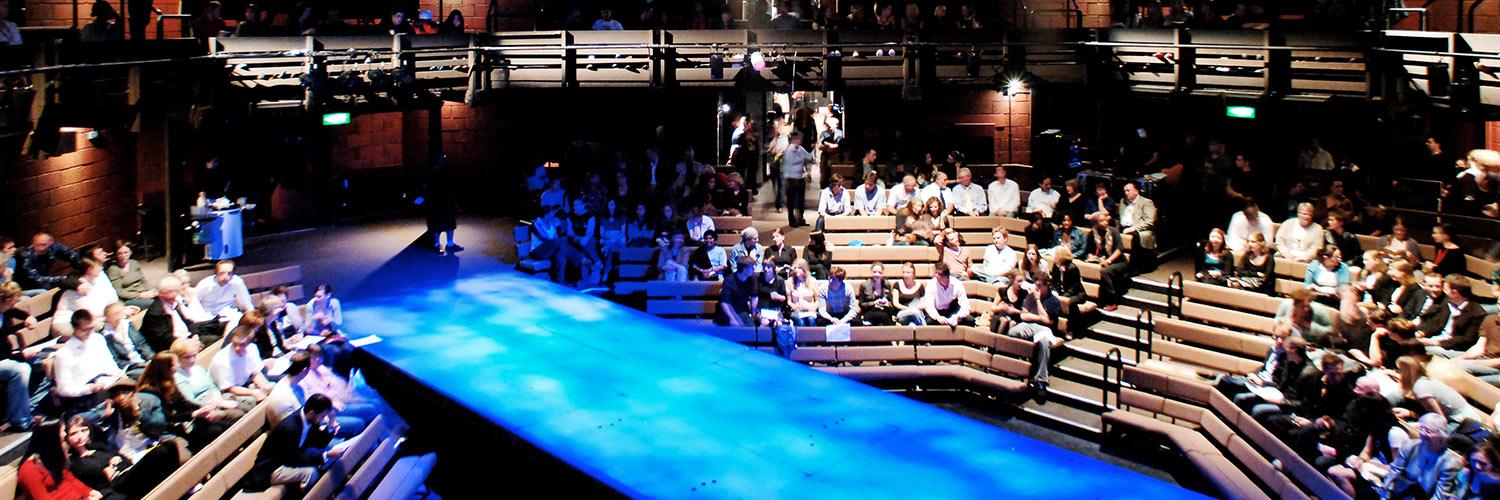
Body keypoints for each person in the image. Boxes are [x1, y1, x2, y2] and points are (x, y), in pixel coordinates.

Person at [243, 394, 346, 493]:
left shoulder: (309, 419)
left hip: (289, 459)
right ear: (311, 413)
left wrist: (331, 424)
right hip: (272, 467)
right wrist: (325, 455)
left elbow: (320, 443)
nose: (323, 419)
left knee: (327, 459)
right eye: (322, 416)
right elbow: (293, 458)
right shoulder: (290, 428)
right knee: (311, 473)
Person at [63, 415, 182, 498]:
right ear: (67, 438)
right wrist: (109, 465)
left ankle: (180, 485)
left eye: (83, 430)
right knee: (161, 451)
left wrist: (113, 464)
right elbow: (101, 476)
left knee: (170, 446)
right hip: (117, 486)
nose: (80, 436)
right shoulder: (75, 462)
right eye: (74, 433)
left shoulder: (99, 446)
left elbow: (124, 459)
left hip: (128, 471)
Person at [137, 353, 229, 450]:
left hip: (185, 421)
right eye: (176, 363)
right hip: (172, 430)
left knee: (224, 425)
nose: (179, 365)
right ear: (167, 368)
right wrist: (193, 414)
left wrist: (204, 409)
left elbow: (184, 403)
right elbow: (168, 417)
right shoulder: (150, 391)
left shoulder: (170, 381)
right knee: (215, 431)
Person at [53, 310, 127, 412]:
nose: (89, 332)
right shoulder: (64, 354)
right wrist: (89, 388)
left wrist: (120, 374)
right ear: (75, 329)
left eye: (91, 328)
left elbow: (109, 363)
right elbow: (63, 389)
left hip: (108, 382)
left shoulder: (98, 339)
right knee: (119, 404)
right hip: (86, 394)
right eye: (85, 329)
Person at [1380, 413, 1463, 498]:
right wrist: (1385, 496)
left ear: (1442, 435)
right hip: (1402, 494)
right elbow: (1393, 474)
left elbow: (1439, 496)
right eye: (1421, 428)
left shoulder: (1450, 463)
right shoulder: (1410, 446)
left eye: (1429, 431)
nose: (1423, 433)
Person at [1009, 276, 1064, 397]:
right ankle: (1021, 368)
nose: (1036, 288)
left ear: (1046, 286)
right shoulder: (1029, 296)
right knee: (1013, 332)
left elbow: (1049, 322)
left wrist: (1038, 301)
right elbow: (1023, 316)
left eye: (1039, 285)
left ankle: (1041, 381)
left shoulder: (1053, 301)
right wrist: (1039, 317)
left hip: (1045, 330)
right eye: (1035, 285)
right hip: (1029, 325)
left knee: (1044, 342)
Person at [18, 422, 102, 500]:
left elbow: (70, 479)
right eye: (62, 440)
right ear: (51, 442)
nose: (65, 443)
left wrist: (88, 492)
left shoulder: (51, 456)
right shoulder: (29, 469)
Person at [1418, 274, 1486, 356]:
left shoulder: (1477, 313)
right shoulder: (1447, 303)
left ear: (1454, 292)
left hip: (1452, 347)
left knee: (1417, 347)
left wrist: (1435, 342)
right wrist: (1422, 333)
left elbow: (1467, 340)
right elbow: (1435, 323)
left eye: (1445, 289)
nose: (1443, 291)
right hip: (1435, 339)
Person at [209, 319, 273, 402]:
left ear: (250, 342)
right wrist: (254, 392)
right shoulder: (221, 360)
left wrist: (264, 386)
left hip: (245, 384)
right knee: (253, 399)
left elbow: (256, 373)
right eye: (235, 344)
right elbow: (229, 388)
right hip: (225, 393)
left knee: (273, 387)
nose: (237, 348)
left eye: (242, 345)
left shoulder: (252, 348)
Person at [1085, 212, 1129, 311]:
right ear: (1095, 224)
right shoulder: (1092, 234)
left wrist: (1108, 261)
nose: (1105, 223)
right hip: (1101, 261)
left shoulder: (1113, 231)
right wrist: (1091, 257)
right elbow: (1088, 251)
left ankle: (1113, 300)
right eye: (1102, 221)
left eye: (1106, 220)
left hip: (1119, 262)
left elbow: (1119, 249)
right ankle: (1093, 298)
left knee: (1105, 271)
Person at [14, 232, 82, 293]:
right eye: (36, 244)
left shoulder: (54, 247)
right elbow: (36, 278)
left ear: (51, 243)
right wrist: (64, 278)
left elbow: (73, 256)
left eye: (43, 245)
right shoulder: (26, 255)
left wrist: (81, 270)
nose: (40, 248)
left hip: (44, 280)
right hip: (27, 285)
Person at [100, 303, 150, 373]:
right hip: (130, 367)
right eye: (115, 315)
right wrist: (140, 365)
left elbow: (142, 345)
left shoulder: (127, 325)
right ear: (108, 317)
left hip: (144, 362)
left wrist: (152, 359)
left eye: (119, 313)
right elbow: (117, 360)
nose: (118, 317)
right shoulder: (105, 335)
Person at [106, 242, 154, 309]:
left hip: (143, 292)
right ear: (115, 255)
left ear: (130, 252)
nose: (123, 255)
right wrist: (141, 295)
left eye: (126, 252)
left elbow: (143, 281)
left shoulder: (134, 263)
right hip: (129, 299)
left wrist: (150, 291)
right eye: (120, 253)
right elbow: (120, 292)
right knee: (154, 304)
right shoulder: (113, 269)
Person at [1117, 183, 1157, 261]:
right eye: (1124, 191)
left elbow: (1149, 221)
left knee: (1134, 237)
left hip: (1138, 229)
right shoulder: (1122, 201)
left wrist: (1133, 228)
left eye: (1128, 190)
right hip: (1123, 227)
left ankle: (1133, 266)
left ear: (1136, 191)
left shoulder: (1146, 202)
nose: (1126, 193)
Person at [782, 132, 815, 227]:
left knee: (801, 201)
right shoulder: (789, 151)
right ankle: (792, 220)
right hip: (790, 179)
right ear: (792, 140)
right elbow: (792, 163)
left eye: (799, 139)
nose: (799, 141)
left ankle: (800, 218)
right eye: (797, 139)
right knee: (791, 201)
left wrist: (811, 153)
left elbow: (809, 158)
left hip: (800, 178)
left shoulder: (801, 149)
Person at [716, 257, 758, 327]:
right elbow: (724, 303)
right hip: (728, 311)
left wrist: (754, 315)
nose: (753, 269)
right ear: (744, 269)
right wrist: (732, 319)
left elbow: (754, 296)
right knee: (738, 328)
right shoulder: (729, 281)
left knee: (751, 329)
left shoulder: (752, 278)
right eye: (751, 267)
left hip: (742, 310)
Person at [755, 255, 788, 328]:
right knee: (765, 323)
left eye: (768, 267)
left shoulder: (780, 280)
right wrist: (771, 293)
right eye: (764, 267)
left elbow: (783, 298)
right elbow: (758, 289)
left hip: (776, 310)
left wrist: (779, 297)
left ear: (774, 269)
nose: (766, 269)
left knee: (778, 324)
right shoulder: (759, 278)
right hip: (762, 310)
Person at [786, 260, 820, 327]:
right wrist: (794, 307)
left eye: (799, 268)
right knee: (801, 322)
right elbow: (789, 301)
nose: (796, 270)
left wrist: (814, 307)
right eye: (795, 268)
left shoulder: (812, 281)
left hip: (810, 311)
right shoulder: (790, 282)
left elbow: (817, 300)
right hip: (797, 311)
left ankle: (812, 337)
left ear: (804, 269)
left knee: (811, 320)